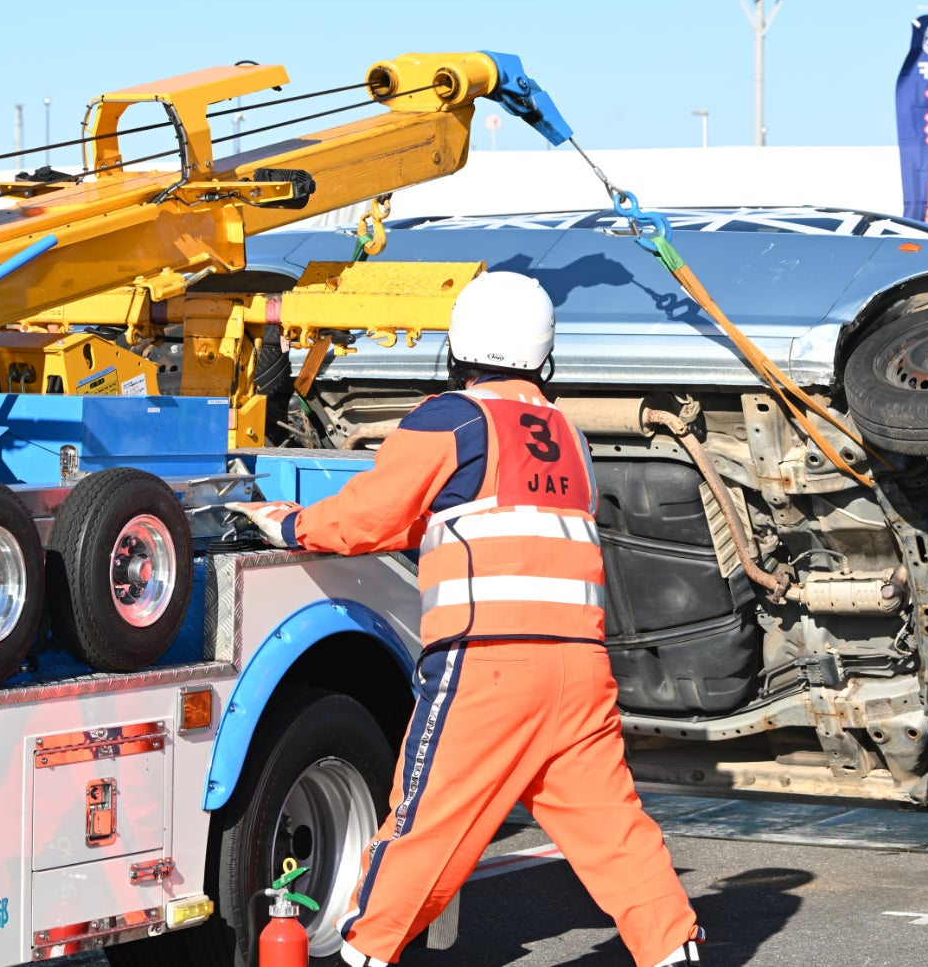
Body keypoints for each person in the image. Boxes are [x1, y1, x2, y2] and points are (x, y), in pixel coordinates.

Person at [228, 270, 705, 967]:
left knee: (429, 818)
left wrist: (289, 522)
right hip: (578, 669)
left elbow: (370, 517)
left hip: (490, 664)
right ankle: (672, 949)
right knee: (610, 826)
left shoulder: (450, 417)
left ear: (458, 347)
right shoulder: (567, 436)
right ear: (544, 355)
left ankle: (364, 953)